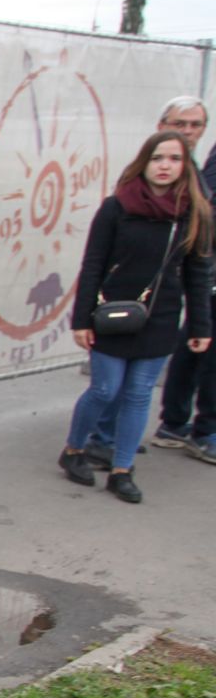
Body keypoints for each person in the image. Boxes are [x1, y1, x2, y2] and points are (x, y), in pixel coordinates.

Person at [58, 130, 213, 503]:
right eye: (158, 158)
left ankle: (122, 469)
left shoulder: (193, 214)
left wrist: (200, 325)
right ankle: (74, 450)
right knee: (105, 389)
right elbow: (92, 264)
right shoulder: (116, 207)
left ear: (185, 166)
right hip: (111, 315)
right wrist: (81, 320)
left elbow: (198, 272)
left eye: (174, 159)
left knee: (139, 394)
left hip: (159, 319)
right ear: (144, 162)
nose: (165, 166)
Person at [145, 97, 216, 461]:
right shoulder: (153, 166)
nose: (188, 131)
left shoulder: (197, 169)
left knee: (196, 340)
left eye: (196, 125)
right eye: (181, 123)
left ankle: (176, 424)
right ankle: (199, 428)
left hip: (192, 273)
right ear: (163, 124)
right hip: (153, 282)